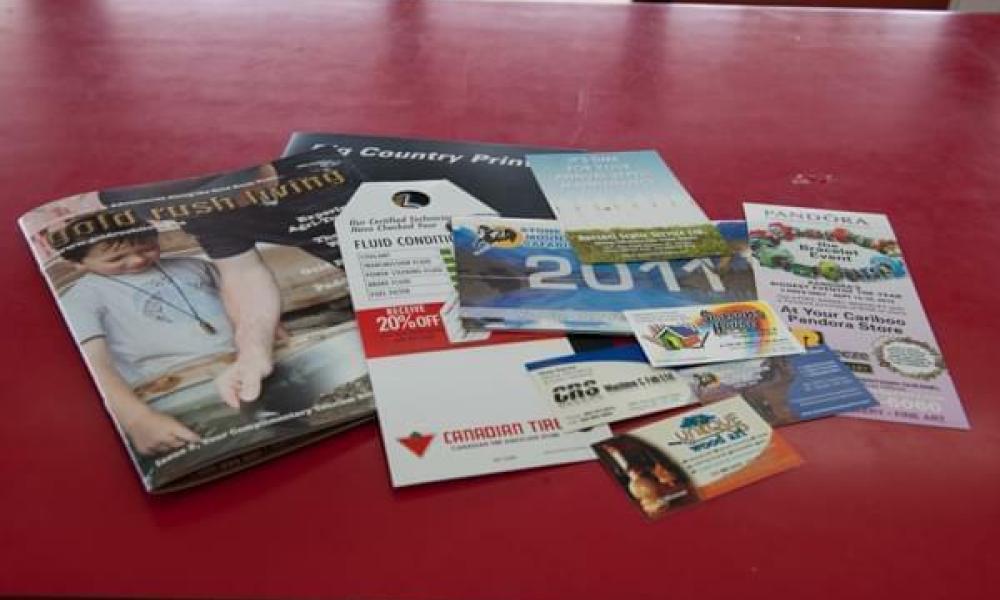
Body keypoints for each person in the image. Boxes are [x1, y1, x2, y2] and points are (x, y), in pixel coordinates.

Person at [98, 153, 364, 407]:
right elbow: (242, 272)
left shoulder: (331, 164)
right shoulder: (204, 211)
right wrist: (253, 353)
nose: (207, 212)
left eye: (221, 199)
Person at [59, 217, 237, 455]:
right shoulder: (81, 298)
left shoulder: (193, 265)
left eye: (148, 248)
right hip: (174, 391)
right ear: (76, 264)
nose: (137, 260)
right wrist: (137, 420)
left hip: (243, 363)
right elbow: (96, 365)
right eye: (116, 258)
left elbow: (246, 307)